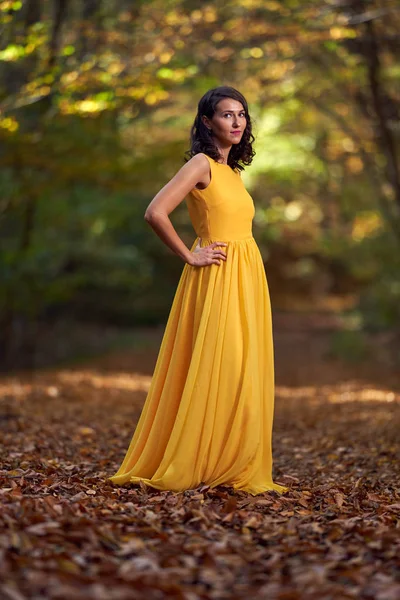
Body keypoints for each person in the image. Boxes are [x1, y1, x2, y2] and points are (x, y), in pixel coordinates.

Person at [108, 85, 288, 496]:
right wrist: (190, 256)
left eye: (242, 114)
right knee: (220, 364)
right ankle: (197, 459)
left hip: (246, 275)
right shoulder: (201, 165)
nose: (238, 122)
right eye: (228, 115)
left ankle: (231, 460)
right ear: (207, 122)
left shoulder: (233, 172)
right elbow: (155, 212)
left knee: (243, 370)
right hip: (217, 275)